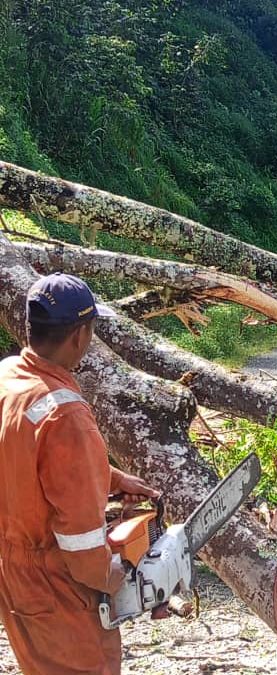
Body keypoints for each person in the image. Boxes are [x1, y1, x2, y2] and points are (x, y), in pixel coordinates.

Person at [0, 273, 160, 675]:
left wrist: (109, 477)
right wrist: (116, 575)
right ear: (79, 336)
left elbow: (26, 457)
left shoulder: (8, 378)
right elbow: (83, 549)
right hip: (56, 585)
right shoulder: (66, 413)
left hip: (12, 570)